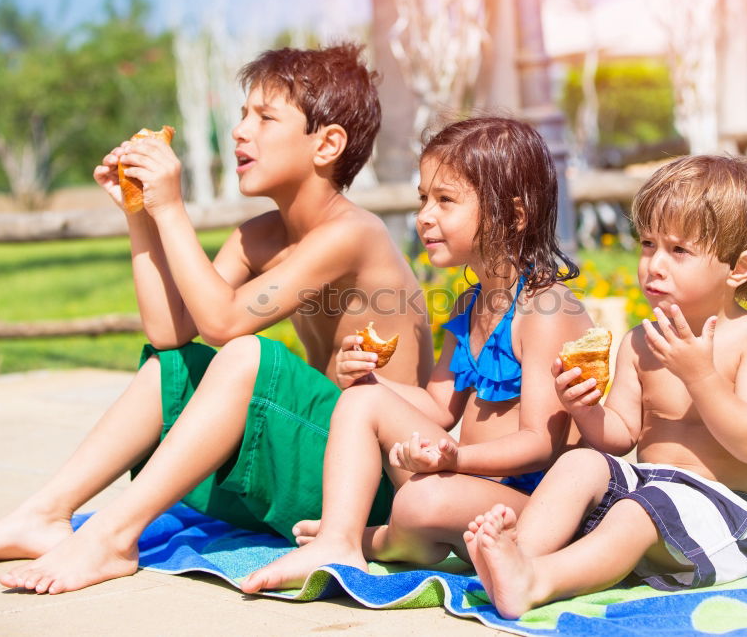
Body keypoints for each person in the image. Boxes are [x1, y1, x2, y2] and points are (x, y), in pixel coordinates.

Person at [0, 44, 434, 595]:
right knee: (176, 366)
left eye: (265, 118)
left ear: (328, 144)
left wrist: (173, 208)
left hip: (375, 481)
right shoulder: (259, 236)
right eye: (243, 114)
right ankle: (47, 512)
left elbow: (223, 324)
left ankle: (113, 536)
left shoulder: (352, 233)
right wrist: (141, 215)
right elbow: (171, 331)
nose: (242, 131)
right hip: (322, 460)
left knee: (247, 354)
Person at [241, 116, 594, 593]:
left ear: (513, 215)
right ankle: (339, 540)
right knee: (361, 402)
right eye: (423, 199)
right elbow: (436, 407)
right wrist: (369, 380)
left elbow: (540, 443)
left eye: (445, 200)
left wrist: (454, 459)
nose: (424, 215)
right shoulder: (472, 306)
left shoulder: (545, 310)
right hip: (472, 485)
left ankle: (381, 540)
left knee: (418, 504)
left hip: (540, 509)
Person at [462, 154, 747, 619]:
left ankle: (539, 580)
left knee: (639, 510)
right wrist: (586, 410)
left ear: (739, 267)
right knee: (581, 462)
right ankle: (518, 556)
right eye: (648, 244)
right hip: (648, 488)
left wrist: (700, 374)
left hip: (724, 515)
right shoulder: (640, 341)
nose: (654, 264)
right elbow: (620, 438)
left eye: (679, 251)